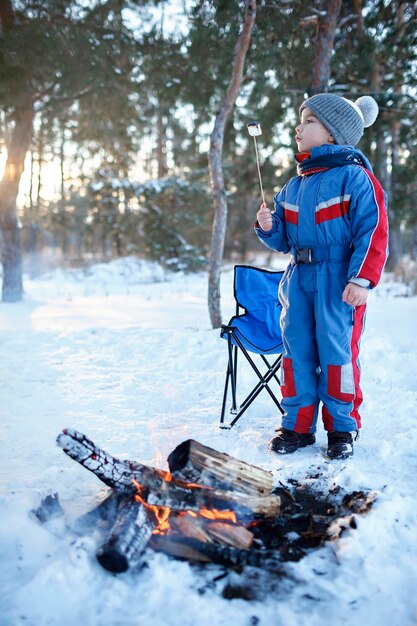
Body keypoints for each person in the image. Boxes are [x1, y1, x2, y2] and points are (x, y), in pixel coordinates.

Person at [254, 93, 389, 460]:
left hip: (338, 279)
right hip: (299, 278)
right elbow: (283, 239)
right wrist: (269, 226)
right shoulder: (293, 186)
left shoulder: (355, 178)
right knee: (297, 350)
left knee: (337, 352)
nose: (299, 127)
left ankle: (341, 428)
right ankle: (297, 426)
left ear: (333, 134)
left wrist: (361, 279)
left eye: (309, 120)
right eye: (301, 120)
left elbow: (372, 231)